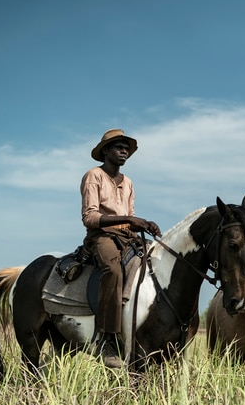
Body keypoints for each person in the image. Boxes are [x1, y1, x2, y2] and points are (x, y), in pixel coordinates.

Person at [81, 128, 162, 368]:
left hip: (126, 236)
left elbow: (130, 219)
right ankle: (106, 339)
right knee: (113, 270)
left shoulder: (127, 183)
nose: (124, 151)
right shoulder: (93, 176)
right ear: (105, 151)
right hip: (101, 236)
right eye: (119, 147)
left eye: (126, 148)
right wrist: (129, 220)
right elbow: (90, 217)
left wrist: (143, 224)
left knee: (157, 261)